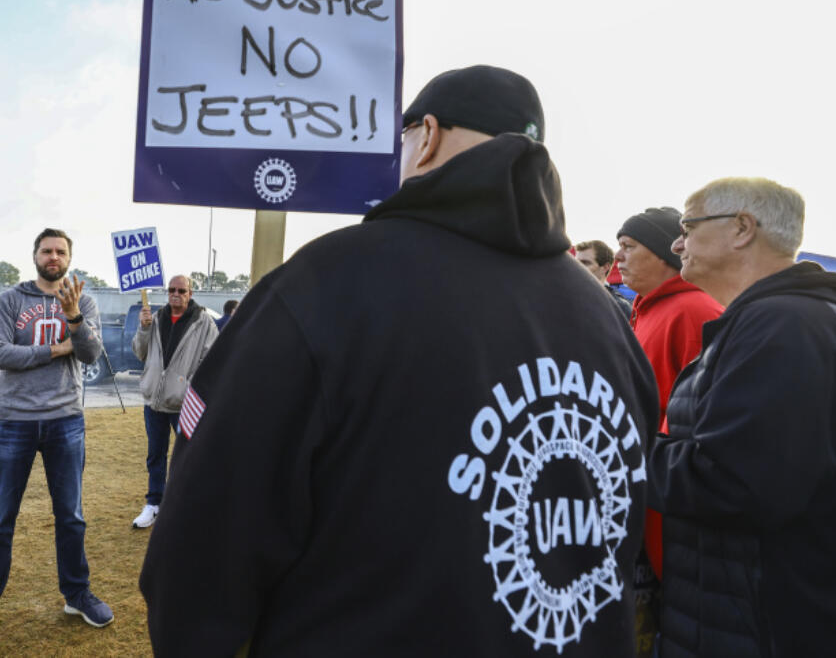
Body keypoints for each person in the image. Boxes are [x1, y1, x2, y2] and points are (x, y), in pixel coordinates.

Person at [140, 65, 658, 656]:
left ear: (427, 135)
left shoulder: (327, 283)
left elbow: (207, 537)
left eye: (401, 138)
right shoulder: (607, 317)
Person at [649, 178, 836, 656]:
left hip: (767, 625)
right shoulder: (772, 319)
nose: (677, 242)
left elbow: (734, 483)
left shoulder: (786, 325)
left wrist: (626, 452)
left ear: (742, 228)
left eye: (687, 226)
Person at [0, 228, 112, 658]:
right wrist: (57, 349)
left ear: (69, 257)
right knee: (0, 520)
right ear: (36, 256)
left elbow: (93, 354)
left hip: (65, 422)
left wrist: (75, 319)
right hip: (15, 422)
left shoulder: (83, 300)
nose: (54, 257)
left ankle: (76, 594)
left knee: (71, 517)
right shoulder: (10, 300)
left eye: (61, 251)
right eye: (47, 250)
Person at [615, 208, 723, 420]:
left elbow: (702, 408)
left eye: (628, 246)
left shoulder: (695, 311)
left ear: (663, 254)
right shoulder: (645, 307)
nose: (617, 255)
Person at [130, 274, 218, 529]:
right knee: (155, 456)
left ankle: (186, 505)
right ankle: (153, 504)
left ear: (190, 293)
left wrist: (189, 386)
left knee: (188, 456)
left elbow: (211, 361)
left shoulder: (203, 323)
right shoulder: (155, 319)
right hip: (154, 402)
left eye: (181, 290)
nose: (175, 293)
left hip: (184, 404)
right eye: (171, 289)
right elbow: (140, 352)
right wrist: (144, 328)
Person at [575, 239, 632, 316]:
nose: (577, 267)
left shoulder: (619, 307)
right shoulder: (567, 300)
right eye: (576, 262)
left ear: (605, 267)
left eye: (585, 263)